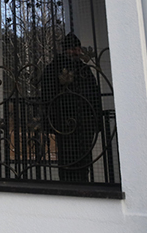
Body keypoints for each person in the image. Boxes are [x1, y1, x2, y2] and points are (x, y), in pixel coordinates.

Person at [39, 34, 104, 183]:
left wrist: (96, 120)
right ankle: (68, 187)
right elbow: (48, 98)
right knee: (67, 160)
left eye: (78, 48)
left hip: (85, 123)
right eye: (73, 49)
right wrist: (51, 123)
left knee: (84, 160)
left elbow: (94, 94)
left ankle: (83, 185)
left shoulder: (84, 69)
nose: (77, 52)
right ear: (66, 50)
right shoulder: (53, 69)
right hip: (64, 123)